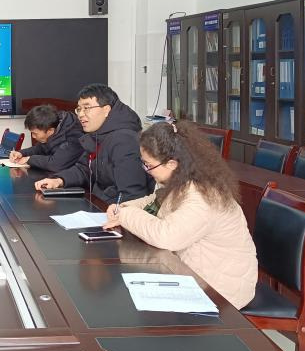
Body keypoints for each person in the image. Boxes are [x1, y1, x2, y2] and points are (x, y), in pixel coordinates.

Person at [103, 120, 257, 309]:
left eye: (148, 165)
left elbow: (166, 236)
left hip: (220, 289)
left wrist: (125, 215)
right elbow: (156, 200)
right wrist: (124, 207)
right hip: (196, 274)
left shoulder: (203, 197)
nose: (146, 171)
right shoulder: (185, 179)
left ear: (172, 164)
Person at [34, 84, 153, 202]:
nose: (81, 114)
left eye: (87, 108)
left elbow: (132, 195)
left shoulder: (124, 141)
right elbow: (84, 169)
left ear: (106, 110)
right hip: (97, 203)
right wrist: (59, 180)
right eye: (79, 109)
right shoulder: (98, 134)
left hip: (111, 209)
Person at [8, 104, 83, 172]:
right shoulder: (54, 126)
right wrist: (21, 153)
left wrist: (29, 159)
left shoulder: (73, 138)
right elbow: (39, 149)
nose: (33, 136)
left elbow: (56, 164)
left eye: (35, 133)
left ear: (50, 130)